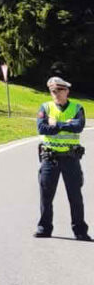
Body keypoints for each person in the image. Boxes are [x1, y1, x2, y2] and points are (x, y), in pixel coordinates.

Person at [36, 76, 89, 240]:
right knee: (46, 195)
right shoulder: (45, 107)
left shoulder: (77, 107)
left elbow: (78, 127)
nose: (56, 94)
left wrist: (56, 124)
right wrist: (66, 124)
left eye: (59, 91)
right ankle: (44, 228)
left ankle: (80, 231)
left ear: (67, 91)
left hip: (71, 159)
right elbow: (42, 128)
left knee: (75, 196)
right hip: (50, 158)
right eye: (53, 91)